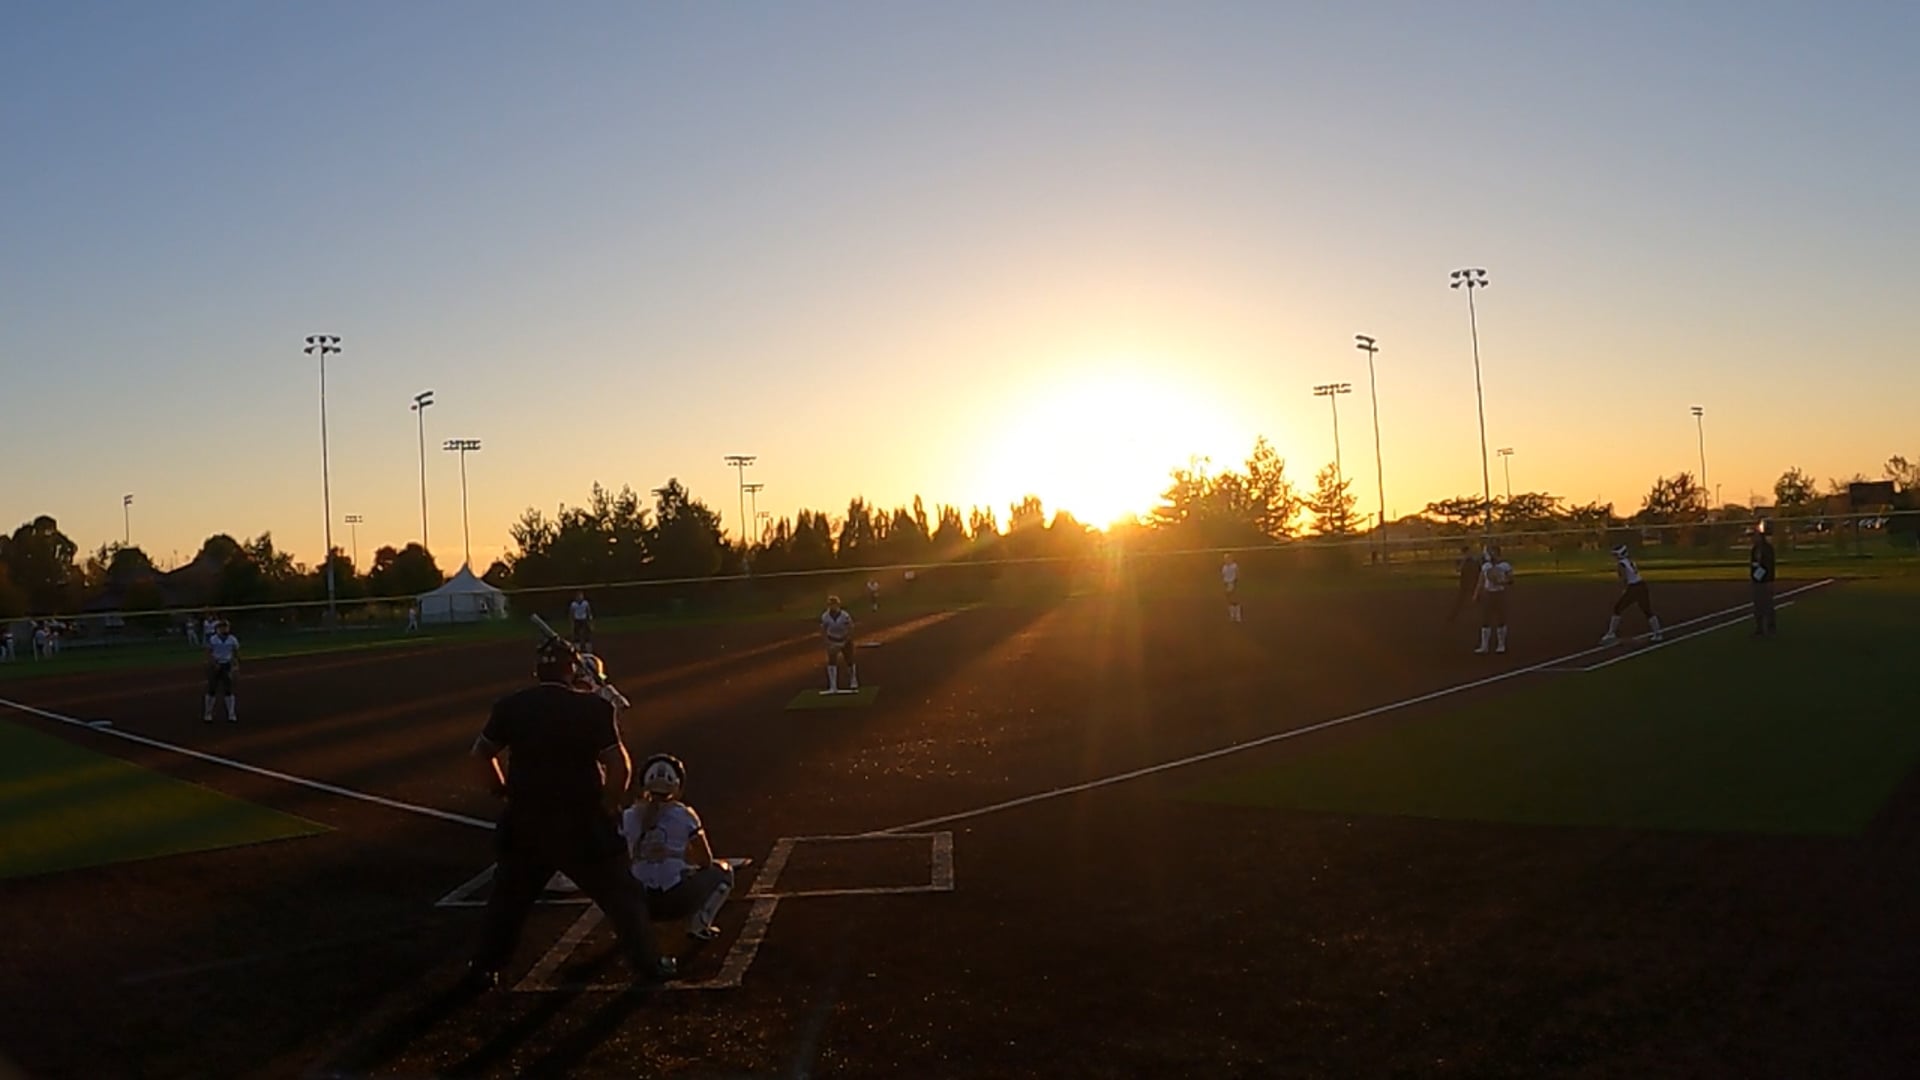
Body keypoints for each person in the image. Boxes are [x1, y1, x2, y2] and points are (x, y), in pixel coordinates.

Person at [464, 638, 675, 992]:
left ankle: (485, 967)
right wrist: (609, 804)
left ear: (538, 671)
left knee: (508, 902)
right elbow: (618, 765)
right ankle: (649, 963)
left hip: (526, 822)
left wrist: (502, 790)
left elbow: (481, 754)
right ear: (572, 669)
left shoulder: (510, 706)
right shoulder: (593, 708)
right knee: (623, 897)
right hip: (583, 823)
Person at [622, 754, 733, 942]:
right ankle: (699, 924)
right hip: (676, 900)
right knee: (724, 872)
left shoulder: (627, 816)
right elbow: (705, 860)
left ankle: (630, 930)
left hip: (638, 903)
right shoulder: (685, 815)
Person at [1600, 544, 1664, 645]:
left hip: (1634, 588)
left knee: (1618, 608)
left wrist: (1624, 589)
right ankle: (1658, 633)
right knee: (1647, 610)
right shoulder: (1630, 561)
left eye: (1616, 554)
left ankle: (1611, 633)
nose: (1614, 557)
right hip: (1642, 586)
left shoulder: (1621, 564)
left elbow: (1624, 578)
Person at [1473, 544, 1514, 655]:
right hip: (1488, 594)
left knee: (1501, 618)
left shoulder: (1505, 565)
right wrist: (1476, 593)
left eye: (1491, 552)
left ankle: (1501, 644)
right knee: (1485, 619)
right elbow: (1481, 580)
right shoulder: (1486, 566)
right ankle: (1484, 646)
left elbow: (1511, 579)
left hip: (1499, 594)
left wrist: (1502, 581)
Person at [204, 619, 241, 723]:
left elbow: (236, 653)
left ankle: (231, 714)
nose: (224, 629)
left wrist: (236, 666)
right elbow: (208, 653)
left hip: (227, 664)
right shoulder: (213, 639)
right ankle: (208, 713)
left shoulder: (232, 639)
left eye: (225, 627)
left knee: (228, 689)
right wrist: (214, 663)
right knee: (212, 689)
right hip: (215, 664)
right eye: (222, 627)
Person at [821, 595, 857, 694]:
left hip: (845, 639)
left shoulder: (845, 615)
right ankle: (833, 685)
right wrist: (828, 643)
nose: (832, 606)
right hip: (832, 640)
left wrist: (845, 641)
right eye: (830, 604)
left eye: (834, 604)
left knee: (849, 660)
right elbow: (823, 630)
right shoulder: (825, 616)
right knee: (831, 661)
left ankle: (853, 681)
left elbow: (851, 628)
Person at [1750, 523, 1778, 637]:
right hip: (1757, 580)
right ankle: (1760, 628)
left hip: (1766, 580)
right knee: (1758, 606)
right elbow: (1753, 564)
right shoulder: (1755, 549)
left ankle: (1771, 628)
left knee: (1768, 605)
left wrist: (1769, 579)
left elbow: (1769, 565)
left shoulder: (1767, 549)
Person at [1446, 544, 1479, 622]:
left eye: (1469, 552)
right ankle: (1453, 617)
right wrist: (1464, 560)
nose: (1469, 553)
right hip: (1464, 584)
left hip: (1474, 583)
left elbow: (1479, 570)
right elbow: (1458, 569)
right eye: (1467, 552)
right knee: (1460, 601)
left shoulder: (1475, 560)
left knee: (1479, 598)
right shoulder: (1460, 560)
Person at [1221, 553, 1242, 623]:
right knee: (1229, 600)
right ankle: (1232, 615)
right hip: (1227, 584)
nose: (1227, 560)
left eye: (1228, 558)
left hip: (1233, 583)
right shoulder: (1224, 567)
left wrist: (1235, 583)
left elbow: (1238, 574)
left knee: (1235, 600)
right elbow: (1223, 576)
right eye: (1225, 559)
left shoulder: (1234, 566)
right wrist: (1225, 584)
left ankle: (1238, 616)